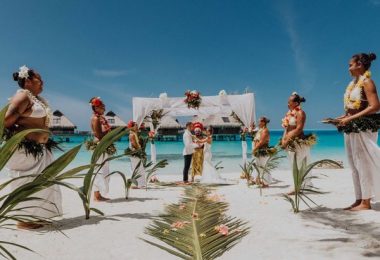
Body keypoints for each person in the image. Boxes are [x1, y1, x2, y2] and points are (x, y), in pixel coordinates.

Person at [5, 65, 62, 229]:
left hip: (40, 149)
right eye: (39, 78)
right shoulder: (23, 96)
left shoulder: (36, 99)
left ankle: (35, 217)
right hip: (27, 150)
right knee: (27, 182)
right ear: (28, 81)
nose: (42, 81)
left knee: (41, 184)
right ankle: (23, 220)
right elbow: (7, 120)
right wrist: (21, 136)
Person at [336, 53, 380, 211]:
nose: (348, 68)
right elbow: (353, 107)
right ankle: (359, 198)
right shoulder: (353, 83)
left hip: (363, 127)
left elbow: (375, 106)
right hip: (352, 126)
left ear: (360, 64)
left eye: (350, 65)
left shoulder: (367, 82)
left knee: (363, 163)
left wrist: (351, 118)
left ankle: (366, 202)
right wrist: (343, 117)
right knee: (353, 163)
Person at [281, 92, 315, 194]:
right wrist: (284, 139)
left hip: (298, 143)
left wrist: (287, 140)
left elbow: (299, 129)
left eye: (289, 102)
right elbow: (287, 129)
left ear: (296, 103)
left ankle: (299, 186)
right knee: (293, 164)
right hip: (290, 142)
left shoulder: (300, 113)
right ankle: (297, 185)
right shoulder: (289, 114)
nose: (287, 104)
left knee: (298, 164)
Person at [89, 97, 112, 201]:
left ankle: (99, 195)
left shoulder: (101, 118)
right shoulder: (95, 118)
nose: (105, 107)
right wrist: (109, 134)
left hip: (103, 145)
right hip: (99, 146)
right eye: (102, 106)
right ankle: (96, 196)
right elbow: (98, 135)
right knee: (99, 170)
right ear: (96, 107)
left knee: (104, 170)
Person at [253, 117, 272, 187]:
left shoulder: (265, 131)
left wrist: (254, 149)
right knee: (259, 166)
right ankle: (261, 181)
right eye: (259, 121)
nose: (259, 123)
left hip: (263, 151)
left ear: (264, 122)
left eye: (260, 121)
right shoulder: (260, 130)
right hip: (258, 151)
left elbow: (261, 142)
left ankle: (266, 183)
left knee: (263, 166)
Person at [128, 120, 147, 188]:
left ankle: (139, 184)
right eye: (135, 125)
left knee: (139, 168)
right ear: (132, 127)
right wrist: (140, 151)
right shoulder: (132, 134)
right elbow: (134, 144)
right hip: (135, 154)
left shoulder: (134, 133)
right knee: (137, 168)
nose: (137, 126)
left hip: (136, 153)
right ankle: (136, 184)